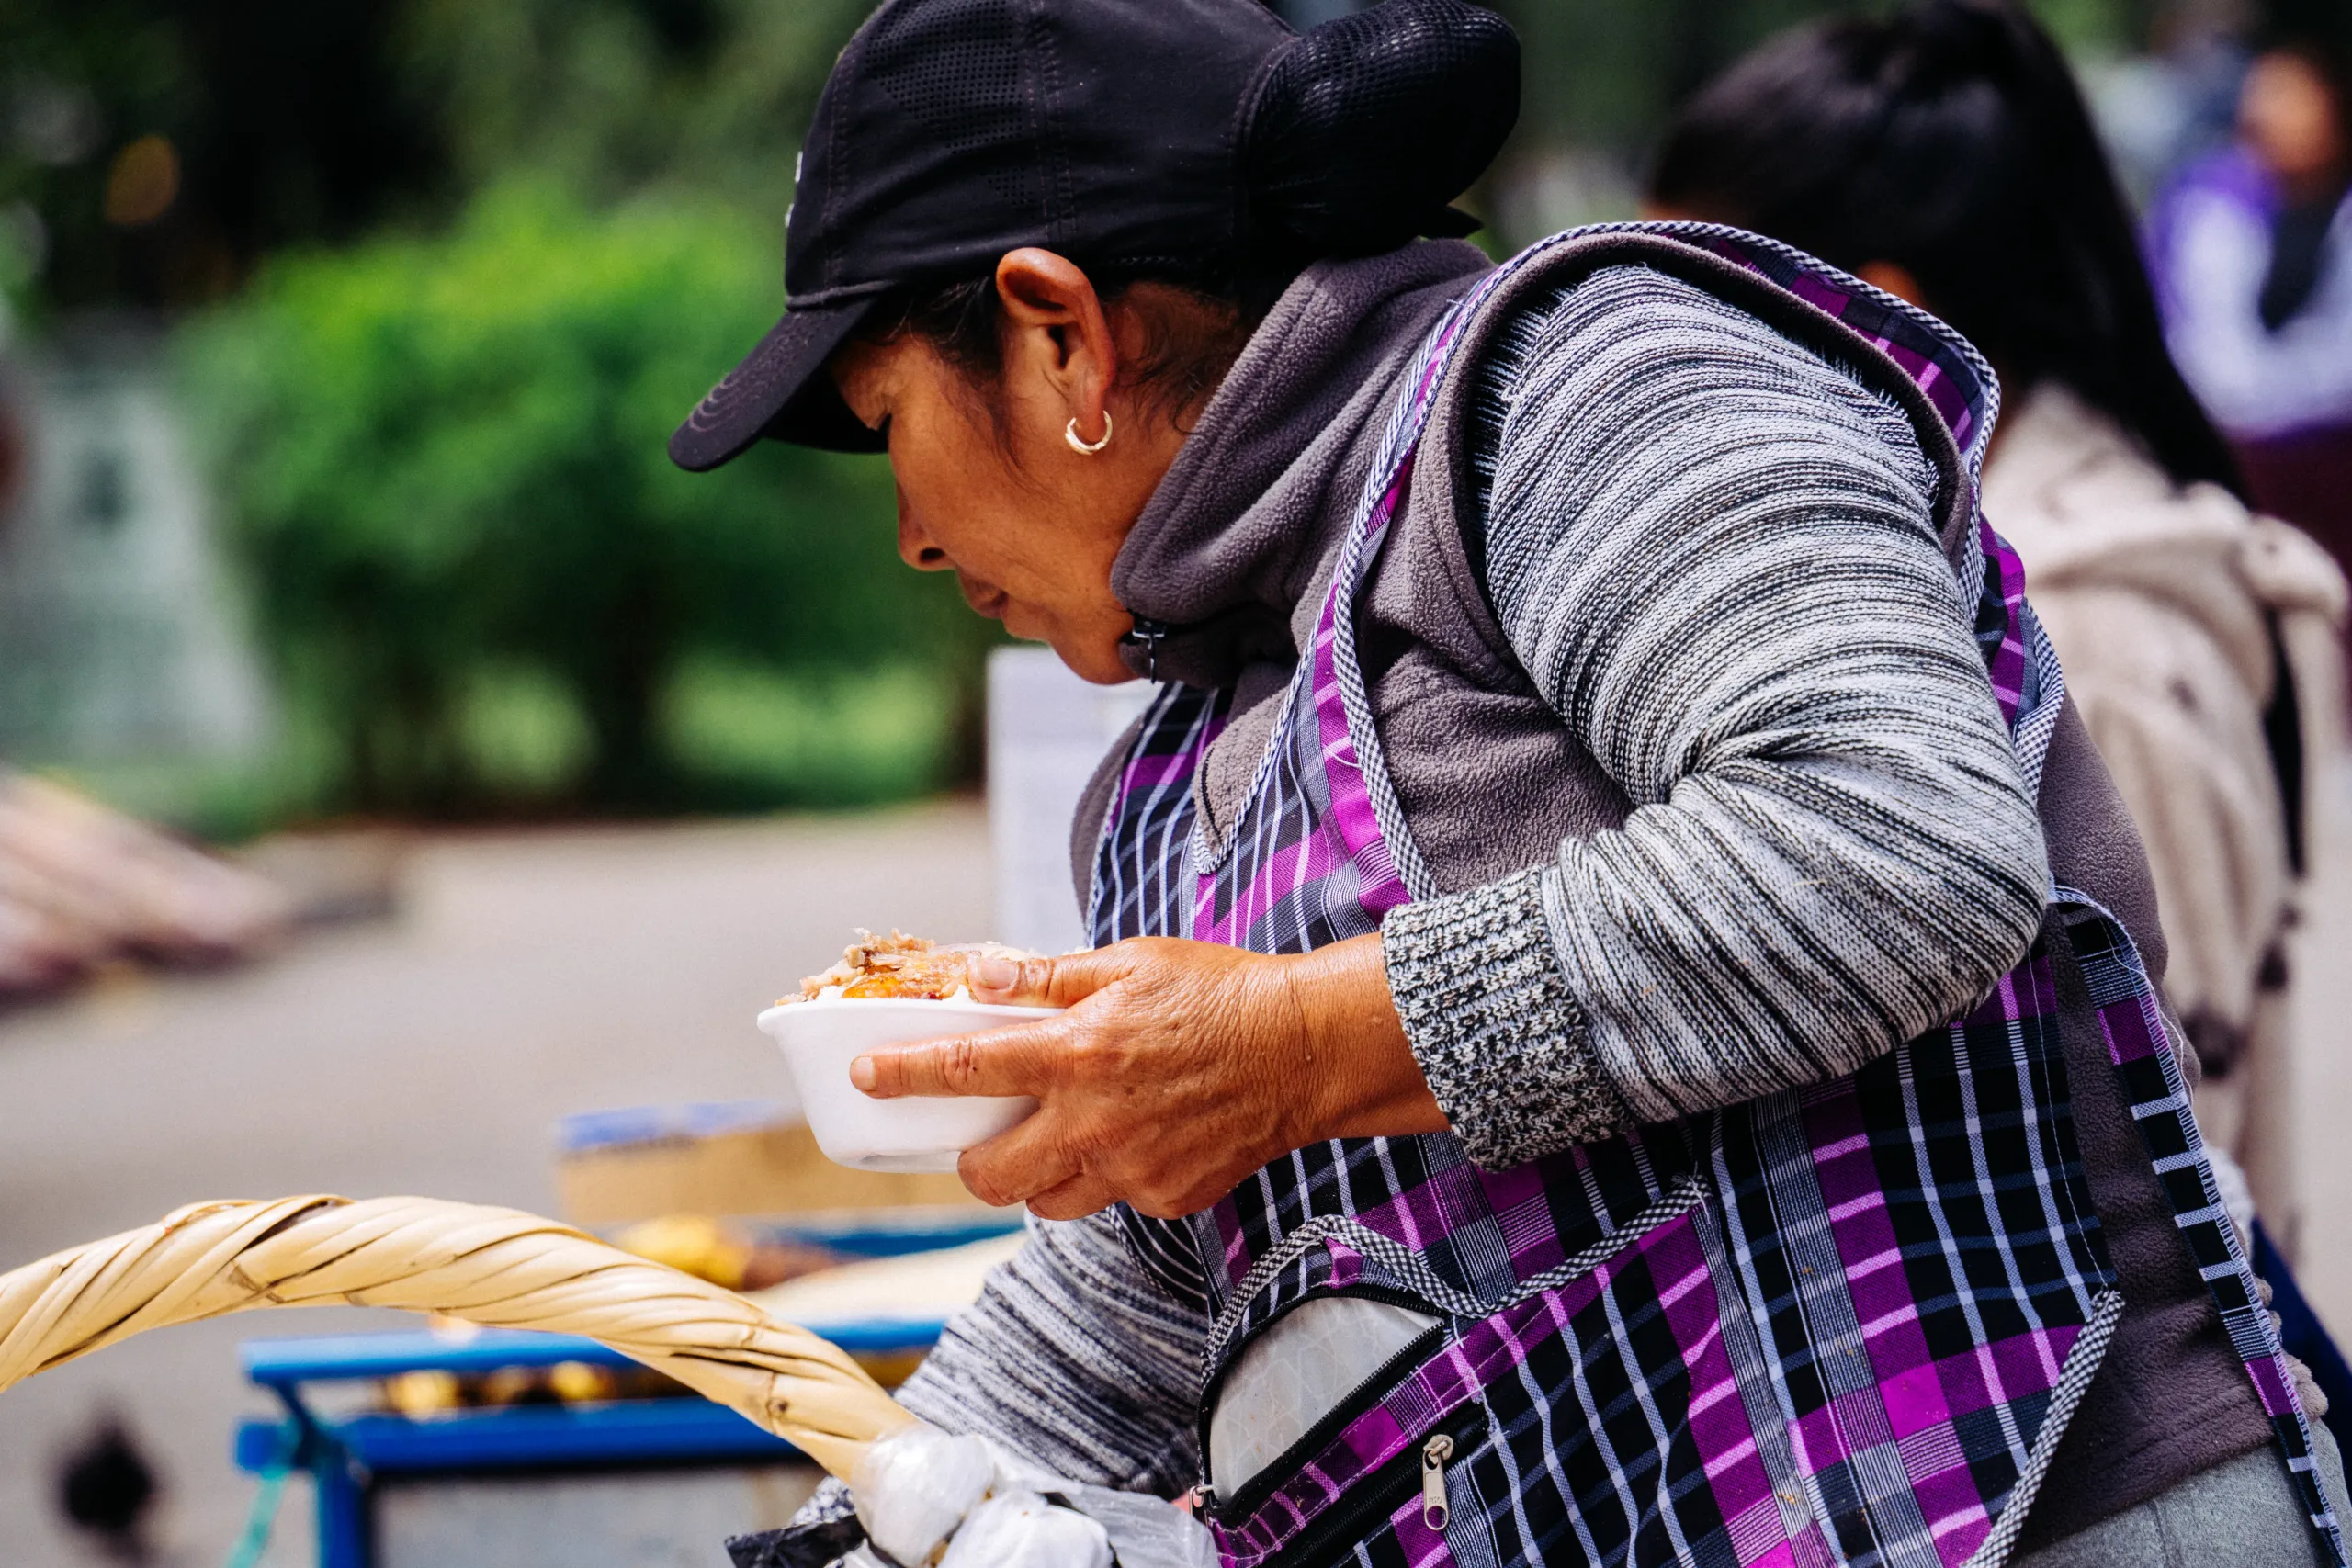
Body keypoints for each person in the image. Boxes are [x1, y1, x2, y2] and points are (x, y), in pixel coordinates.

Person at [675, 2, 2343, 1564]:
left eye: (887, 415)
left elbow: (1896, 838)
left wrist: (1289, 1048)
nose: (906, 531)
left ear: (1059, 337)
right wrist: (868, 1514)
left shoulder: (1586, 384)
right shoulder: (1172, 766)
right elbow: (1138, 1296)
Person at [1647, 0, 2347, 1309]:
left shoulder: (2088, 638)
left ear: (1878, 320)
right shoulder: (2025, 575)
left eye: (1700, 320)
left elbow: (2157, 1146)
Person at [2148, 37, 2352, 557]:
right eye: (2260, 96)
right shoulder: (2204, 201)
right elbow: (2182, 332)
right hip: (2226, 460)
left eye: (2290, 97)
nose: (2265, 113)